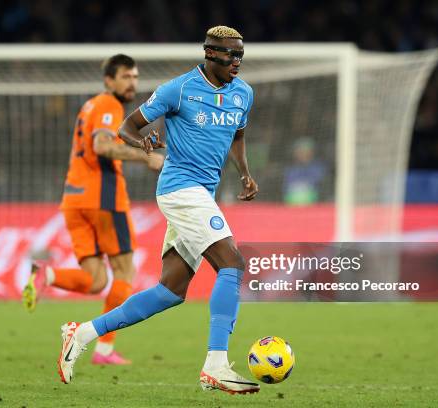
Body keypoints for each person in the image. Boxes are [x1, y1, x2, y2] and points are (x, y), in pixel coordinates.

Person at [57, 26, 260, 394]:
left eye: (241, 55)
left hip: (203, 195)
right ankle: (216, 365)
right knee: (232, 264)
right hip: (180, 189)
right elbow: (126, 127)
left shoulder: (243, 94)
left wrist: (244, 173)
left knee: (171, 291)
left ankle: (82, 333)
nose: (237, 62)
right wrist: (145, 143)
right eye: (231, 55)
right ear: (210, 54)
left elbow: (239, 136)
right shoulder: (178, 89)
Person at [22, 54, 164, 365]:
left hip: (73, 200)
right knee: (125, 271)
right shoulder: (108, 105)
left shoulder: (89, 106)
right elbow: (101, 146)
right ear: (109, 80)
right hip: (103, 200)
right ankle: (104, 349)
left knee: (96, 280)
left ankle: (46, 274)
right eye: (126, 76)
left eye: (135, 77)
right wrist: (146, 155)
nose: (132, 83)